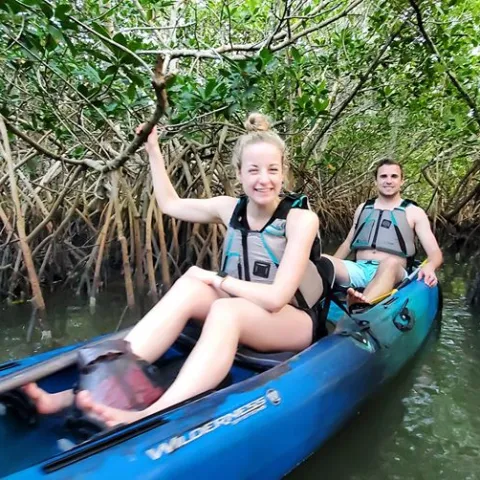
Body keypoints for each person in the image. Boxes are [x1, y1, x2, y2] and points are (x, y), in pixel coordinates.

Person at [23, 113, 332, 427]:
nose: (263, 179)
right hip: (245, 307)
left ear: (284, 174)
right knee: (191, 287)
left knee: (227, 309)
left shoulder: (300, 220)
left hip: (291, 322)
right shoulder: (229, 208)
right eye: (253, 170)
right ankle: (75, 394)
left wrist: (215, 278)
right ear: (239, 173)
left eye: (272, 170)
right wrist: (153, 148)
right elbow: (170, 204)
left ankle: (149, 414)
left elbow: (277, 298)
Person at [324, 158, 443, 307]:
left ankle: (361, 304)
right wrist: (329, 267)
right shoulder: (363, 208)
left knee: (390, 263)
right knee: (323, 259)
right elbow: (348, 243)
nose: (388, 181)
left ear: (402, 181)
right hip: (360, 269)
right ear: (375, 181)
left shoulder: (414, 212)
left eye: (394, 176)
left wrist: (430, 267)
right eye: (383, 176)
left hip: (393, 271)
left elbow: (435, 253)